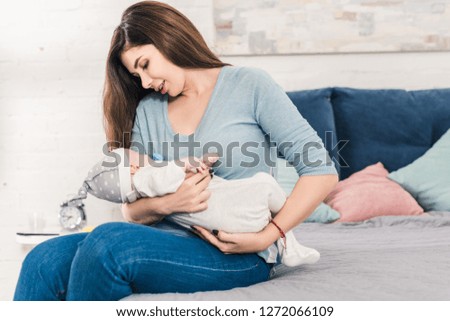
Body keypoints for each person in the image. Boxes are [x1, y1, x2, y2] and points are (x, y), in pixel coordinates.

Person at [14, 1, 338, 301]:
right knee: (42, 259)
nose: (144, 82)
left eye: (145, 65)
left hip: (235, 248)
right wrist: (170, 203)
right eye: (135, 74)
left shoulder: (249, 85)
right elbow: (132, 210)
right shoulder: (149, 111)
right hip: (165, 240)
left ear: (169, 38)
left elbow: (321, 172)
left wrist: (269, 235)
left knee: (109, 243)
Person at [72, 147, 320, 267]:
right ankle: (289, 243)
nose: (136, 151)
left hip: (230, 222)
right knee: (266, 184)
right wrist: (195, 162)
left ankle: (287, 242)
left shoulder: (141, 186)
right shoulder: (145, 178)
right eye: (130, 154)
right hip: (233, 218)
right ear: (130, 169)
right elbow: (171, 172)